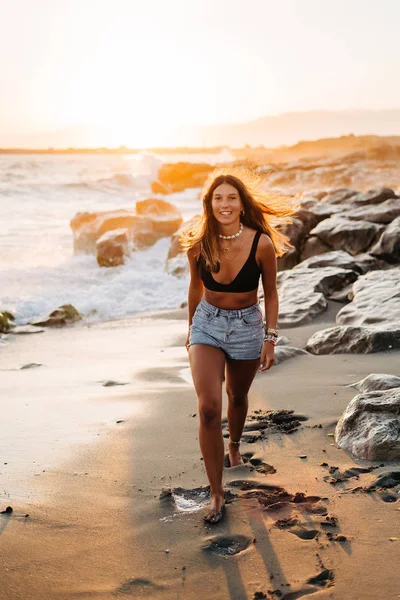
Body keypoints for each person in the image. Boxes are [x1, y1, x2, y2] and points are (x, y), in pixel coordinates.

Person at [180, 168, 298, 524]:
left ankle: (233, 446)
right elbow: (195, 290)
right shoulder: (198, 243)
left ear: (241, 203)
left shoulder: (261, 242)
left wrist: (270, 338)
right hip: (207, 326)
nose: (225, 204)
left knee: (238, 397)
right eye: (218, 198)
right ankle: (217, 494)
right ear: (209, 204)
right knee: (210, 407)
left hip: (248, 326)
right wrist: (190, 331)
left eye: (231, 197)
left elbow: (272, 294)